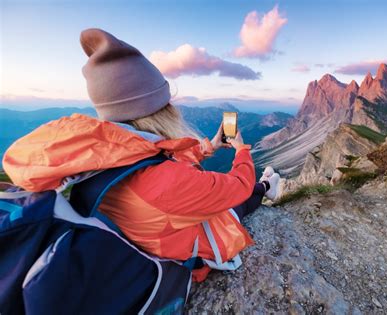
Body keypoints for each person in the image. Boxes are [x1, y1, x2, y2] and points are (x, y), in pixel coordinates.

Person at [78, 28, 280, 281]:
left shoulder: (103, 153)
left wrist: (210, 147)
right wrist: (241, 150)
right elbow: (238, 185)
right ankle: (267, 186)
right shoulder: (168, 181)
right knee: (234, 203)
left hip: (149, 235)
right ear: (158, 111)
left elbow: (155, 159)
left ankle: (266, 185)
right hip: (184, 251)